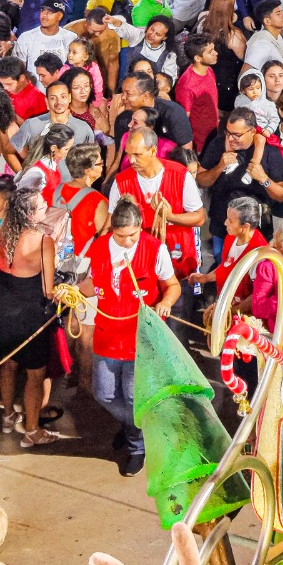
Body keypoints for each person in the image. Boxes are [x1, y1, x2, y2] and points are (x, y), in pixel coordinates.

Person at [80, 198, 177, 477]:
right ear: (112, 230)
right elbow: (93, 284)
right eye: (120, 236)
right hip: (107, 336)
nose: (126, 242)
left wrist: (166, 302)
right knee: (105, 394)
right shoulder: (99, 248)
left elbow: (171, 285)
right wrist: (72, 289)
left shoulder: (155, 249)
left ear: (140, 229)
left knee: (134, 398)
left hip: (140, 340)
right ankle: (139, 427)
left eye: (132, 236)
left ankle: (137, 447)